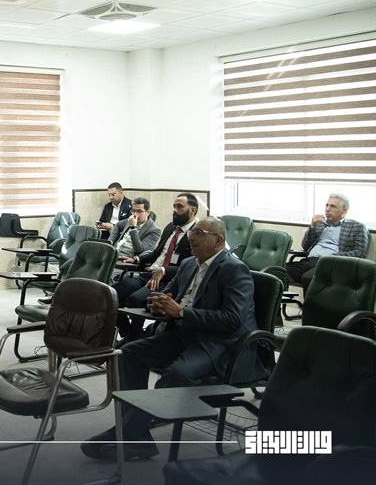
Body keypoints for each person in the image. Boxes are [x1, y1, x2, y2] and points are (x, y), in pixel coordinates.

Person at [82, 217, 262, 461]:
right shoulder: (188, 264)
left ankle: (126, 433)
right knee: (129, 353)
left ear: (219, 240)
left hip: (219, 344)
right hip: (184, 334)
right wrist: (158, 303)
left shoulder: (233, 269)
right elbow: (170, 294)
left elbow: (233, 320)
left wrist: (182, 313)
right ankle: (138, 437)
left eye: (199, 233)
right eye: (193, 232)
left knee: (178, 373)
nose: (191, 237)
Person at [113, 193, 199, 344]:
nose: (174, 210)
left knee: (135, 299)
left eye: (179, 207)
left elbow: (193, 265)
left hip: (170, 279)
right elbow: (156, 253)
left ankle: (133, 339)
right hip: (150, 273)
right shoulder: (171, 227)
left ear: (192, 210)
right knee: (112, 294)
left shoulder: (197, 233)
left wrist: (164, 270)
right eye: (174, 206)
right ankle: (132, 335)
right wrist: (137, 259)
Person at [285, 194, 370, 294]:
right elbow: (306, 246)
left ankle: (310, 305)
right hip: (309, 261)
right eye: (327, 205)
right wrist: (312, 227)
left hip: (331, 264)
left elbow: (360, 252)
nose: (327, 209)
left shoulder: (357, 226)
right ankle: (276, 304)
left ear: (344, 210)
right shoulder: (321, 224)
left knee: (308, 277)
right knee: (276, 271)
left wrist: (333, 257)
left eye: (333, 206)